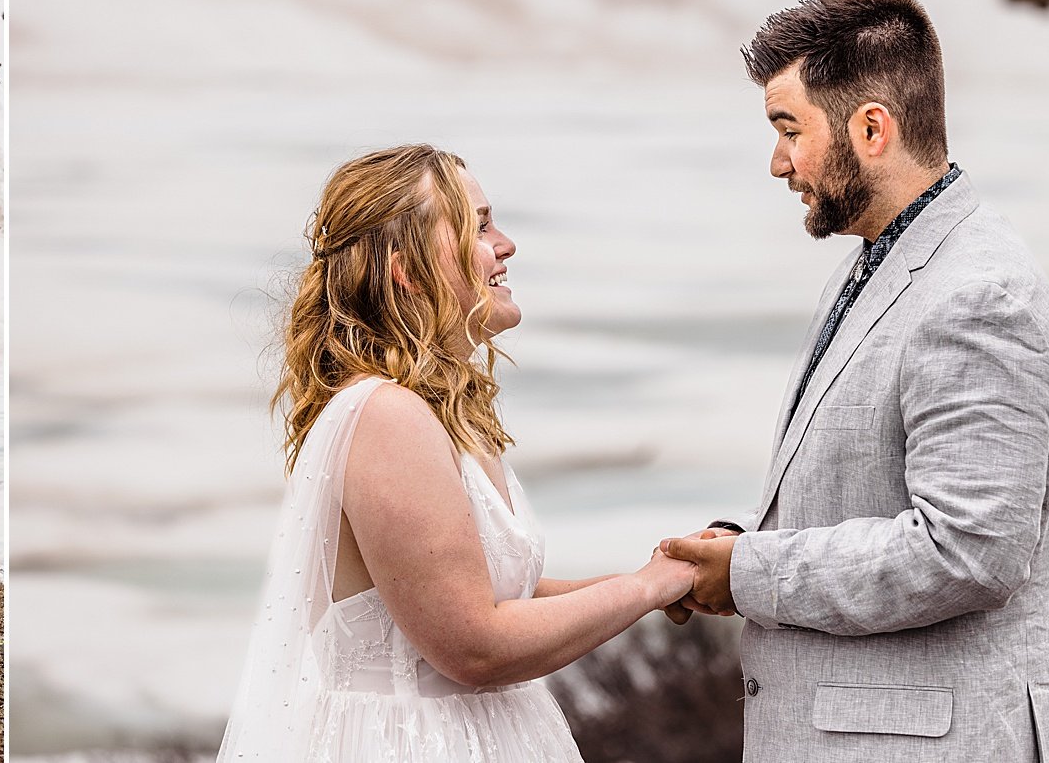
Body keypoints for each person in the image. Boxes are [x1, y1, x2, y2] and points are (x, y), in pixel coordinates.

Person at [659, 0, 1049, 762]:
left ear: (872, 128)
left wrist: (750, 571)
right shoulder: (882, 262)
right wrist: (743, 543)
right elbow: (872, 491)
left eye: (789, 129)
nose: (778, 162)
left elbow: (967, 551)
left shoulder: (979, 297)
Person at [217, 144, 696, 761]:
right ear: (406, 271)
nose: (506, 244)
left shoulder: (443, 411)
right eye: (478, 225)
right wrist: (649, 590)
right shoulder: (387, 416)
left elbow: (495, 594)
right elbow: (476, 645)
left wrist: (663, 576)